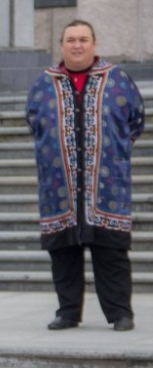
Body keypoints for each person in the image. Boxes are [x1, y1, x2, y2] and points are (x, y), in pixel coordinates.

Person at [25, 20, 145, 332]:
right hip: (58, 185)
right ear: (61, 45)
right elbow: (34, 123)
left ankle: (120, 313)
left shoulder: (117, 79)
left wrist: (111, 152)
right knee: (62, 252)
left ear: (94, 44)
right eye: (70, 40)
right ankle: (68, 313)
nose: (77, 45)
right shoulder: (43, 84)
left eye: (83, 39)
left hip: (107, 186)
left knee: (112, 252)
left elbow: (136, 121)